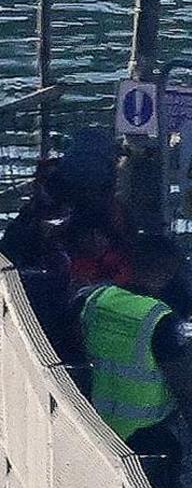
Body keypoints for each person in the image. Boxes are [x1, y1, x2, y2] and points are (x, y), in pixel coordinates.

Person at [75, 232, 192, 488]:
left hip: (95, 422)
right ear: (167, 272)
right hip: (146, 436)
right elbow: (185, 392)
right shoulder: (162, 322)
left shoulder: (96, 299)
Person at [2, 127, 134, 362]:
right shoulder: (112, 214)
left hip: (55, 314)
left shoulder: (39, 210)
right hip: (81, 310)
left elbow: (9, 256)